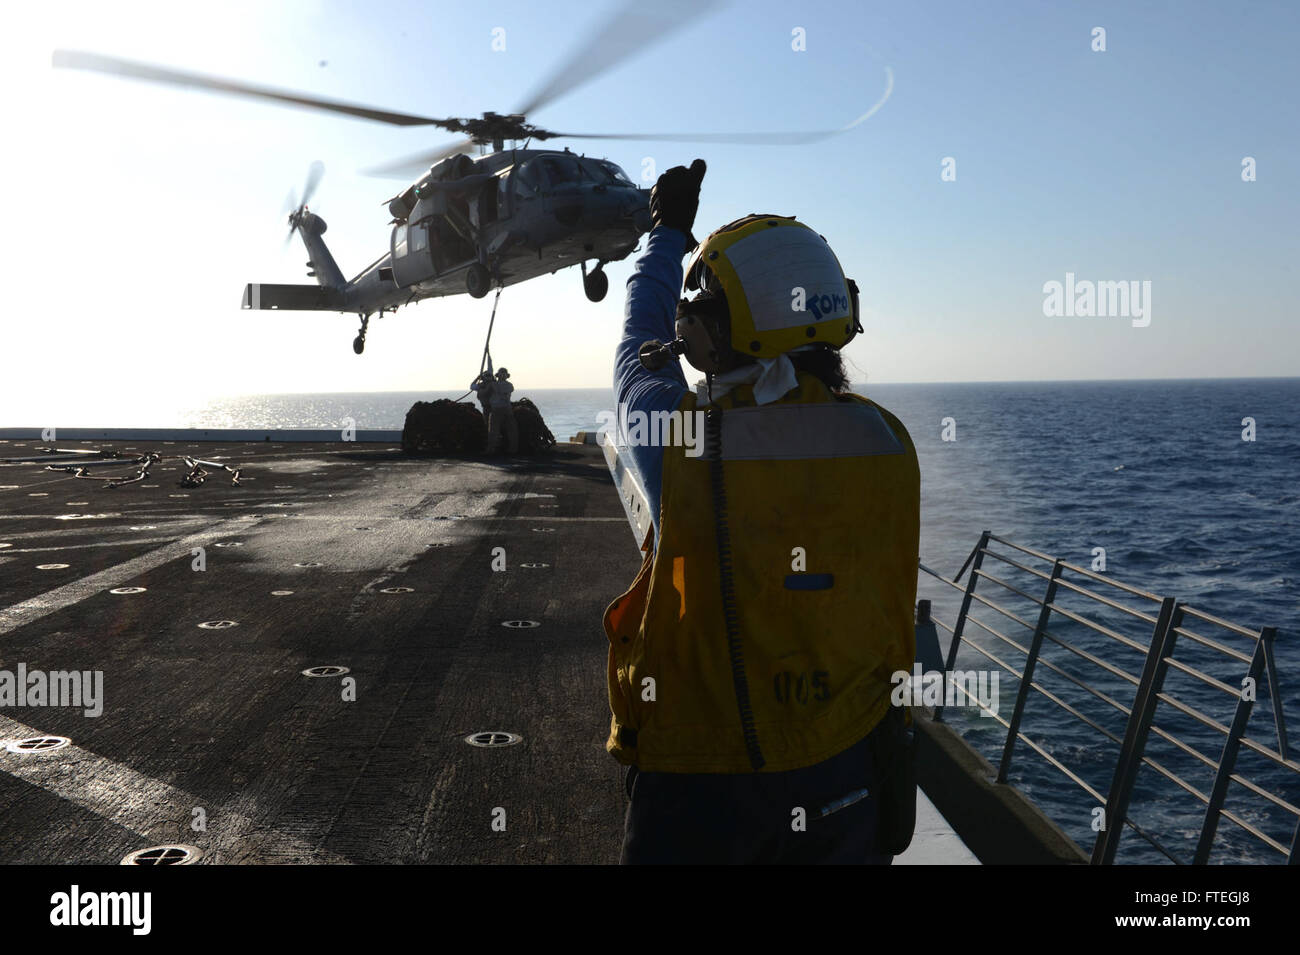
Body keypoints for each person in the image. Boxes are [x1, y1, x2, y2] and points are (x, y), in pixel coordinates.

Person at [604, 159, 921, 864]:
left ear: (716, 335)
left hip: (700, 790)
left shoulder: (682, 444)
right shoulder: (885, 440)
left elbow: (635, 355)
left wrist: (666, 236)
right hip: (846, 771)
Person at [485, 365, 518, 455]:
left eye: (504, 374)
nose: (503, 375)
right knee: (494, 430)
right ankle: (493, 449)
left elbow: (486, 391)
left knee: (509, 429)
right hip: (499, 409)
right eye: (501, 374)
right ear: (499, 375)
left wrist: (489, 382)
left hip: (504, 409)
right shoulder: (503, 385)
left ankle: (510, 449)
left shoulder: (506, 385)